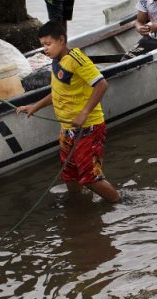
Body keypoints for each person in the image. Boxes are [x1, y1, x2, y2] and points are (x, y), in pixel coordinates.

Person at [16, 21, 120, 203]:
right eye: (42, 45)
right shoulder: (57, 61)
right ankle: (78, 207)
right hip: (67, 129)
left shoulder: (76, 59)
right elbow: (57, 92)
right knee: (70, 175)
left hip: (88, 128)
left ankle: (120, 202)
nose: (45, 49)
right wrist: (34, 106)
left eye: (48, 44)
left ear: (61, 40)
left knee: (90, 178)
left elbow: (101, 84)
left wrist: (85, 112)